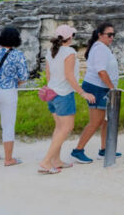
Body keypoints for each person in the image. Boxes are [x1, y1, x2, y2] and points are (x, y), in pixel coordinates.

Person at [38, 25, 95, 174]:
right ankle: (46, 161)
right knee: (66, 128)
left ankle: (56, 160)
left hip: (52, 93)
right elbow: (69, 76)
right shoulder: (69, 52)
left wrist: (52, 87)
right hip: (63, 94)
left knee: (59, 129)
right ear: (70, 37)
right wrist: (83, 93)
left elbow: (48, 74)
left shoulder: (50, 52)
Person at [72, 22, 120, 163]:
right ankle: (78, 150)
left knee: (106, 120)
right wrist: (112, 88)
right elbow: (101, 71)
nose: (112, 37)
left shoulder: (103, 48)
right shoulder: (100, 48)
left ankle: (104, 149)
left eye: (113, 35)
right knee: (96, 121)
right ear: (100, 35)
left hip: (102, 87)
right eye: (109, 35)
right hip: (97, 88)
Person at [0, 26, 29, 167]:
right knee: (8, 125)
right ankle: (8, 159)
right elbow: (24, 77)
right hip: (8, 91)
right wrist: (15, 82)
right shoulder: (18, 55)